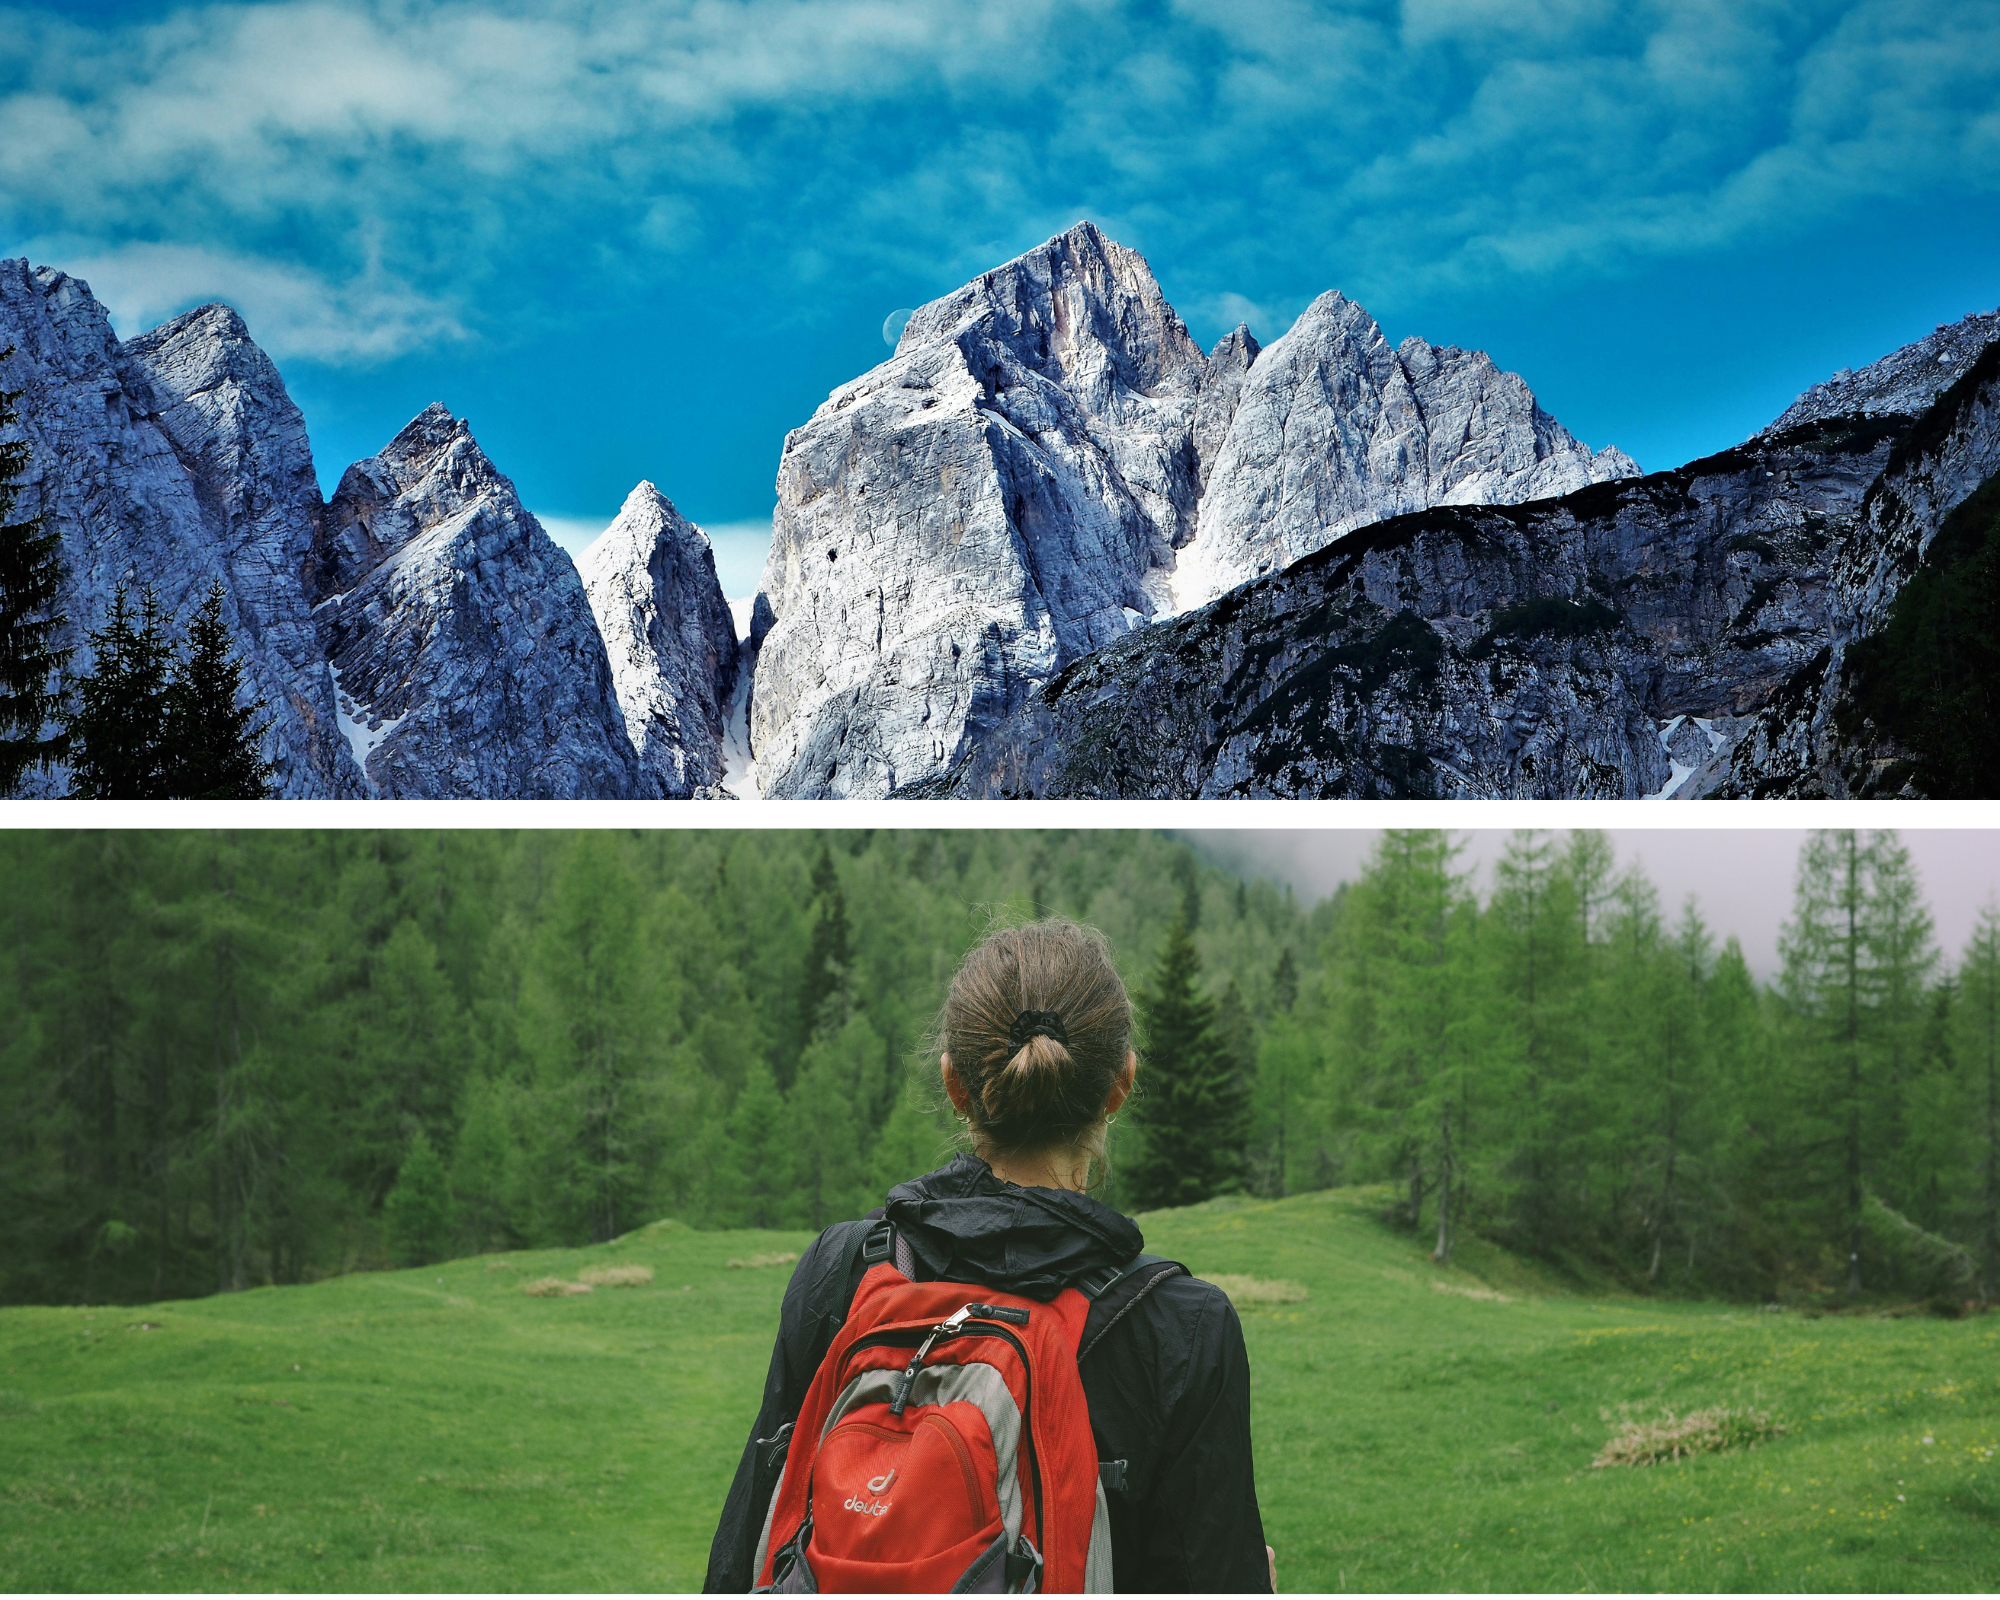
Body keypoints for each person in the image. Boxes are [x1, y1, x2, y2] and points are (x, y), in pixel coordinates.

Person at [703, 917, 1274, 1593]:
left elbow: (741, 1557)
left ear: (953, 1084)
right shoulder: (1183, 1328)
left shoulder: (845, 1268)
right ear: (1121, 1084)